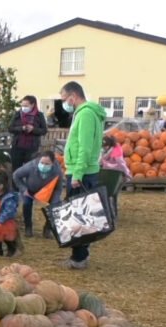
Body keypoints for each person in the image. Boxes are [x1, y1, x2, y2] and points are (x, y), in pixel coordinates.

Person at [59, 81, 106, 269]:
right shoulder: (84, 113)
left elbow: (85, 148)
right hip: (80, 170)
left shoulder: (86, 114)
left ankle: (79, 258)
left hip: (82, 173)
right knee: (81, 214)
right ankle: (79, 254)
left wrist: (77, 173)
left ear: (73, 96)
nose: (64, 103)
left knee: (78, 216)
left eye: (64, 99)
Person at [13, 151, 65, 237]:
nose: (44, 165)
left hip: (47, 191)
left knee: (55, 206)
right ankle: (28, 227)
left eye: (47, 164)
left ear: (52, 163)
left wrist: (55, 201)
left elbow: (58, 188)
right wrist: (24, 189)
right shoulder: (30, 166)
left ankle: (48, 228)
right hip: (30, 190)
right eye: (42, 163)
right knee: (26, 204)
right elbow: (16, 175)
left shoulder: (57, 171)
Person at [8, 95, 48, 171]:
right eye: (22, 105)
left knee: (30, 169)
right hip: (17, 146)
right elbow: (10, 128)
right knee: (16, 170)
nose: (23, 107)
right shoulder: (17, 114)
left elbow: (44, 130)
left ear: (32, 105)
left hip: (32, 148)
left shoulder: (39, 115)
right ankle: (16, 183)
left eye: (26, 105)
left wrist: (33, 129)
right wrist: (21, 128)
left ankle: (29, 183)